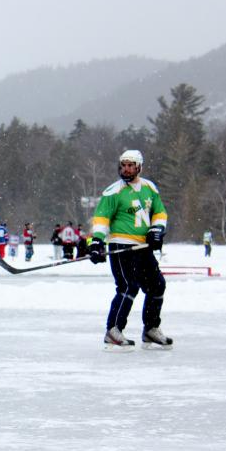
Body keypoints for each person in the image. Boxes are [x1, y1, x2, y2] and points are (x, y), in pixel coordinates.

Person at [88, 149, 171, 351]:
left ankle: (151, 329)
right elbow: (101, 218)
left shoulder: (149, 188)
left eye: (130, 165)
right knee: (128, 287)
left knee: (157, 285)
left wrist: (157, 230)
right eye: (123, 165)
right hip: (121, 246)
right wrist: (97, 241)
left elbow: (160, 212)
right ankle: (113, 331)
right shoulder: (113, 192)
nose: (126, 169)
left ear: (139, 167)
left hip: (143, 247)